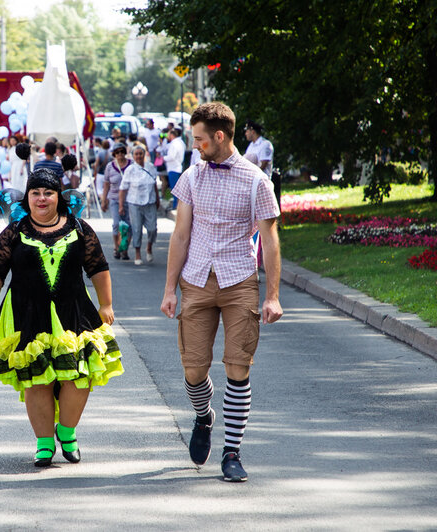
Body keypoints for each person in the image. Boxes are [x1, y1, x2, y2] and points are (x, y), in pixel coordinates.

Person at [160, 102, 282, 483]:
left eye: (198, 139)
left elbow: (270, 241)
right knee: (194, 370)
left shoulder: (256, 180)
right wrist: (169, 289)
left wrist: (272, 295)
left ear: (219, 136)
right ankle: (203, 416)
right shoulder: (192, 176)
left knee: (237, 367)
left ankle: (231, 452)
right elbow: (180, 234)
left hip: (239, 280)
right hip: (195, 279)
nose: (194, 145)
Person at [0, 166, 124, 467]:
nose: (42, 199)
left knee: (79, 377)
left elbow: (98, 267)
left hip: (74, 312)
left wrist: (106, 304)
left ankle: (67, 432)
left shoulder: (79, 228)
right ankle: (45, 442)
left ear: (59, 196)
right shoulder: (14, 232)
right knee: (37, 381)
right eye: (35, 193)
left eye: (48, 193)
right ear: (27, 198)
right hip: (24, 313)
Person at [119, 145, 159, 265]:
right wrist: (121, 205)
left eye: (140, 154)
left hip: (150, 202)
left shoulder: (151, 167)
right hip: (134, 203)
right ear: (133, 156)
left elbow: (154, 184)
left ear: (144, 154)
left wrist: (157, 199)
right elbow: (123, 188)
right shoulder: (130, 170)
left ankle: (149, 247)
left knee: (152, 228)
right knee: (136, 229)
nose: (138, 156)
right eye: (136, 154)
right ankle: (137, 253)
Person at [101, 143, 132, 260]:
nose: (120, 154)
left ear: (125, 152)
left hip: (129, 199)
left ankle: (125, 249)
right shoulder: (110, 166)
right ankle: (116, 247)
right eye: (117, 152)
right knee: (116, 224)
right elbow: (106, 184)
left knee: (128, 226)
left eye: (122, 152)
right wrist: (104, 201)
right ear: (114, 154)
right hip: (114, 199)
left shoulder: (131, 165)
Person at [163, 127, 186, 208]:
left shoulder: (174, 144)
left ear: (172, 135)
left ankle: (175, 206)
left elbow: (171, 156)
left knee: (175, 189)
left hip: (173, 168)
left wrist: (163, 158)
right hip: (178, 166)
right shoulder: (180, 142)